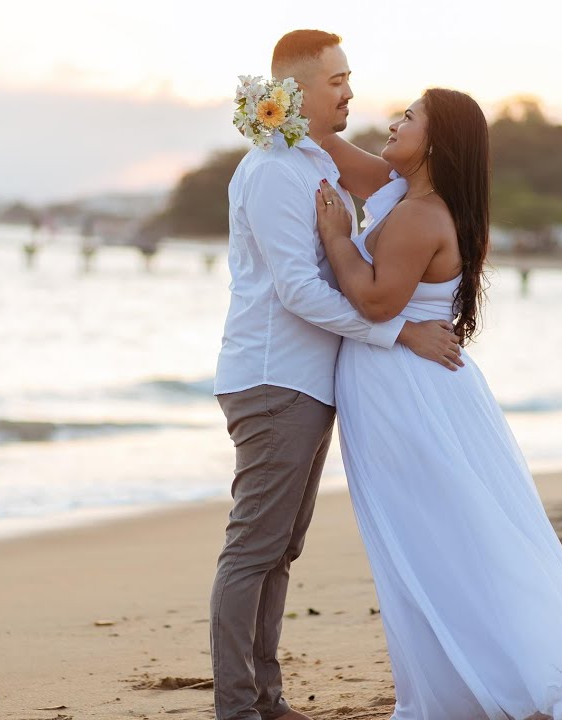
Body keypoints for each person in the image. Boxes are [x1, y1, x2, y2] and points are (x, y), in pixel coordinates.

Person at [312, 88, 562, 720]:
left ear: (435, 144)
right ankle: (465, 681)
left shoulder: (419, 214)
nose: (393, 121)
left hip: (410, 396)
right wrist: (284, 110)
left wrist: (335, 238)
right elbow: (339, 153)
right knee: (441, 539)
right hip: (411, 390)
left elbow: (378, 301)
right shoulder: (402, 192)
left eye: (409, 117)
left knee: (441, 541)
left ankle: (496, 682)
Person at [210, 30, 465, 720]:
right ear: (293, 91)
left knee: (280, 548)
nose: (350, 91)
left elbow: (391, 185)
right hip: (272, 379)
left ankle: (267, 697)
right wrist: (399, 332)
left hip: (307, 382)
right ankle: (237, 707)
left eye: (350, 79)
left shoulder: (311, 159)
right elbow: (296, 290)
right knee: (254, 548)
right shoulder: (271, 171)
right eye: (336, 82)